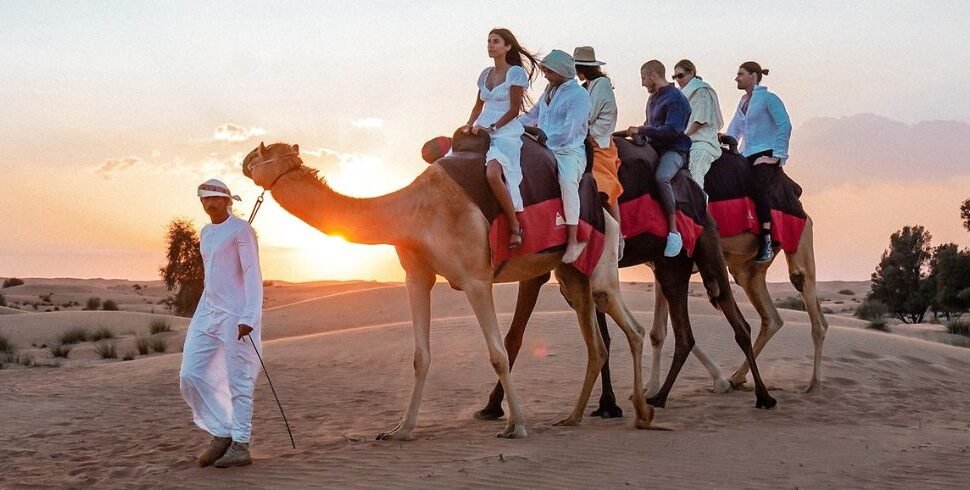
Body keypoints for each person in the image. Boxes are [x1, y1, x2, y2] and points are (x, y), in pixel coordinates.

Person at [180, 178, 264, 468]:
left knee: (238, 378)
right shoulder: (205, 233)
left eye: (216, 198)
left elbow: (252, 274)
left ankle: (240, 444)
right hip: (208, 310)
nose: (210, 203)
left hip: (236, 314)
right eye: (205, 198)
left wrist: (249, 316)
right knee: (190, 374)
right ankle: (222, 431)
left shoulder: (242, 230)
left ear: (228, 201)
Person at [460, 28, 538, 249]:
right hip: (482, 126)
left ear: (508, 46)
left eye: (496, 42)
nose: (490, 45)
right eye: (488, 41)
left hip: (504, 130)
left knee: (493, 173)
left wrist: (492, 128)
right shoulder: (485, 74)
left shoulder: (515, 73)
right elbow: (477, 107)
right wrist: (468, 124)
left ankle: (515, 225)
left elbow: (514, 109)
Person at [519, 49, 593, 264]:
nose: (545, 74)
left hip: (569, 151)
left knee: (567, 181)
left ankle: (573, 239)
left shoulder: (579, 96)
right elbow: (532, 115)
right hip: (542, 146)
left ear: (561, 70)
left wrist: (542, 139)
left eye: (548, 71)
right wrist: (509, 126)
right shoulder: (549, 91)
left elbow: (569, 130)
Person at [724, 61, 793, 263]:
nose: (736, 78)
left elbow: (785, 125)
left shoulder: (769, 99)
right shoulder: (743, 101)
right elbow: (734, 130)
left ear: (753, 76)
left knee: (756, 186)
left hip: (766, 152)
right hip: (745, 154)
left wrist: (776, 157)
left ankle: (766, 239)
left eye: (740, 74)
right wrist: (722, 142)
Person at [626, 60, 693, 257]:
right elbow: (650, 125)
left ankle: (673, 231)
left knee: (661, 177)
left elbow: (673, 130)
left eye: (643, 78)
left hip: (673, 150)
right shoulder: (653, 98)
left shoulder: (676, 99)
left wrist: (643, 130)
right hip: (654, 147)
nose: (643, 83)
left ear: (653, 76)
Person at [574, 45, 624, 260]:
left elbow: (588, 114)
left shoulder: (601, 85)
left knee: (604, 184)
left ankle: (619, 235)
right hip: (582, 139)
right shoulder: (587, 85)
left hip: (599, 142)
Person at [673, 59, 724, 193]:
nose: (678, 79)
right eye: (675, 77)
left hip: (702, 141)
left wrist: (684, 136)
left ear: (692, 73)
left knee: (695, 170)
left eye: (680, 75)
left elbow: (700, 120)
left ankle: (698, 206)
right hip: (682, 141)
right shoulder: (680, 94)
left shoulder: (701, 91)